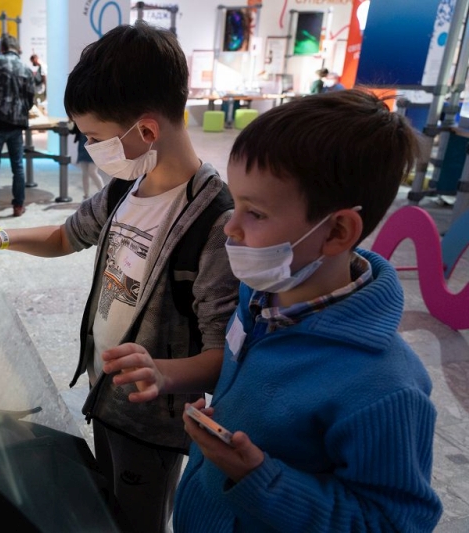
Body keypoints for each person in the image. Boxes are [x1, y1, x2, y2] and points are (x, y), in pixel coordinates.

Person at [0, 21, 239, 533]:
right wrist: (0, 238)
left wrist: (163, 374)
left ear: (146, 132)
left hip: (150, 421)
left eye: (95, 138)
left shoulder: (215, 223)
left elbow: (220, 357)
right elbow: (65, 236)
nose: (91, 148)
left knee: (136, 521)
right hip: (105, 396)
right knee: (106, 509)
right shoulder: (127, 187)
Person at [101, 89, 444, 532]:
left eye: (256, 213)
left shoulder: (386, 388)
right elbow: (246, 372)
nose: (230, 226)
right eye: (237, 202)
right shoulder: (259, 297)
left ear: (337, 231)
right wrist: (167, 374)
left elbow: (394, 524)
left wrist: (258, 478)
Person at [0, 34, 35, 221]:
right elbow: (31, 98)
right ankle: (18, 206)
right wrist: (21, 112)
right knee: (18, 166)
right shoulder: (25, 67)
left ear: (2, 48)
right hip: (17, 125)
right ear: (17, 48)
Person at [71, 123, 105, 199]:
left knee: (92, 172)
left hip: (94, 145)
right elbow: (73, 130)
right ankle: (86, 195)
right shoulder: (78, 120)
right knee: (85, 173)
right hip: (82, 145)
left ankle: (103, 193)